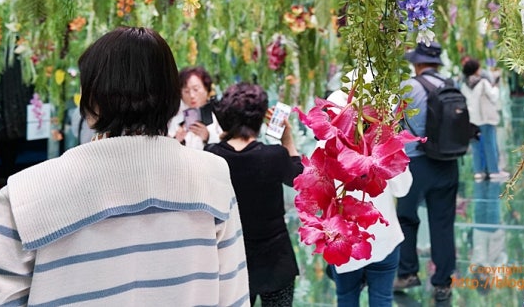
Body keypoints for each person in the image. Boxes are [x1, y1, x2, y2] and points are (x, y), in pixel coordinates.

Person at [0, 27, 248, 306]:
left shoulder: (24, 196)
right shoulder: (214, 178)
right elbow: (234, 297)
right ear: (171, 97)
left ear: (92, 101)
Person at [206, 82, 303, 306]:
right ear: (260, 117)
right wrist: (287, 139)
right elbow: (299, 178)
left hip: (230, 258)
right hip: (276, 262)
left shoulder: (211, 155)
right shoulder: (275, 155)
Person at [326, 89, 413, 307]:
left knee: (346, 299)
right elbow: (403, 189)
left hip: (342, 240)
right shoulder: (384, 148)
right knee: (382, 300)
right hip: (384, 239)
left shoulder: (326, 147)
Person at [394, 42, 458, 302]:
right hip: (447, 162)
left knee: (406, 218)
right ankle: (442, 282)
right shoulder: (452, 83)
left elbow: (398, 122)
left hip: (416, 163)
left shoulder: (409, 87)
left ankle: (408, 273)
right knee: (443, 223)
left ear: (417, 64)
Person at [461, 57, 508, 181]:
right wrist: (496, 87)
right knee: (490, 143)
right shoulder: (482, 82)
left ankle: (479, 171)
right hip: (485, 118)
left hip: (471, 119)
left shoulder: (464, 84)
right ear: (476, 70)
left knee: (476, 145)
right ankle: (493, 170)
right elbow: (493, 96)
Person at [169, 65, 223, 148]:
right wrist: (176, 140)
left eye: (196, 89)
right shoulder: (176, 120)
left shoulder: (218, 117)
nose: (192, 95)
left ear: (206, 89)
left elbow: (224, 148)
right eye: (186, 91)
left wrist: (208, 136)